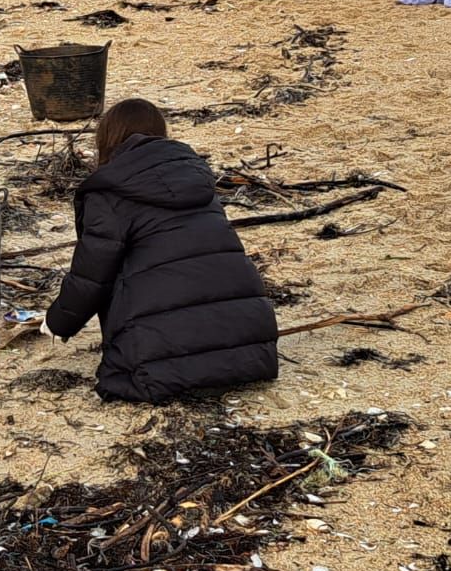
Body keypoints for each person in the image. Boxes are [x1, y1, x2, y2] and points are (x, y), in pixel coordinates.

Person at [38, 99, 278, 403]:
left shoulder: (109, 191)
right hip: (250, 347)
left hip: (157, 364)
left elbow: (92, 275)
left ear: (107, 140)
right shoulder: (196, 180)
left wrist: (59, 321)